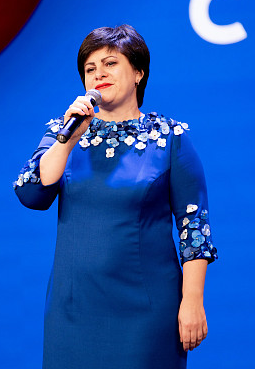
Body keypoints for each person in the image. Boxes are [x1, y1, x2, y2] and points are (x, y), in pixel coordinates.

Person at [13, 24, 217, 369]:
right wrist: (67, 140)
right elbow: (31, 194)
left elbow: (194, 227)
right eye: (90, 68)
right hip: (72, 310)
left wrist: (192, 301)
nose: (99, 74)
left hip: (147, 310)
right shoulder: (64, 132)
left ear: (138, 73)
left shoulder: (169, 138)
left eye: (110, 64)